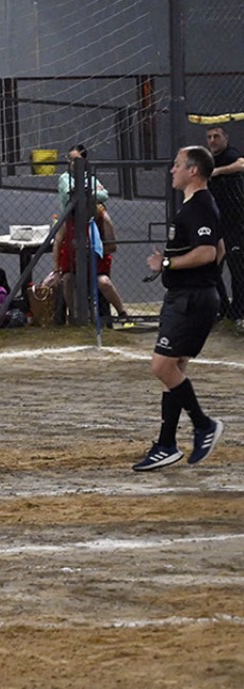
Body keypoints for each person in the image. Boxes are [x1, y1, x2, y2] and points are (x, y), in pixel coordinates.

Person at [134, 146, 226, 471]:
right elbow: (220, 247)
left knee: (162, 367)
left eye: (177, 165)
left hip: (191, 299)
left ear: (193, 171)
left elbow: (206, 253)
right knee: (174, 371)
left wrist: (167, 263)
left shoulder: (199, 206)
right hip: (188, 297)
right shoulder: (194, 206)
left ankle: (203, 425)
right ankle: (166, 445)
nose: (172, 170)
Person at [53, 145, 110, 322]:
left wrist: (88, 193)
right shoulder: (64, 178)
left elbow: (104, 195)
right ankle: (75, 315)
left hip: (88, 221)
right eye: (69, 159)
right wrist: (88, 193)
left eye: (75, 159)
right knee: (69, 277)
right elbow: (71, 192)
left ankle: (103, 314)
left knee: (96, 276)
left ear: (84, 161)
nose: (71, 163)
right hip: (70, 221)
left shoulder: (90, 178)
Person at [204, 125, 244, 322]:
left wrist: (218, 172)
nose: (212, 140)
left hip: (236, 222)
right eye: (209, 137)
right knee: (212, 267)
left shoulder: (230, 154)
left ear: (225, 138)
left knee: (237, 267)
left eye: (216, 136)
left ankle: (238, 312)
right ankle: (223, 309)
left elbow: (241, 164)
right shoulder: (207, 158)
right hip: (215, 223)